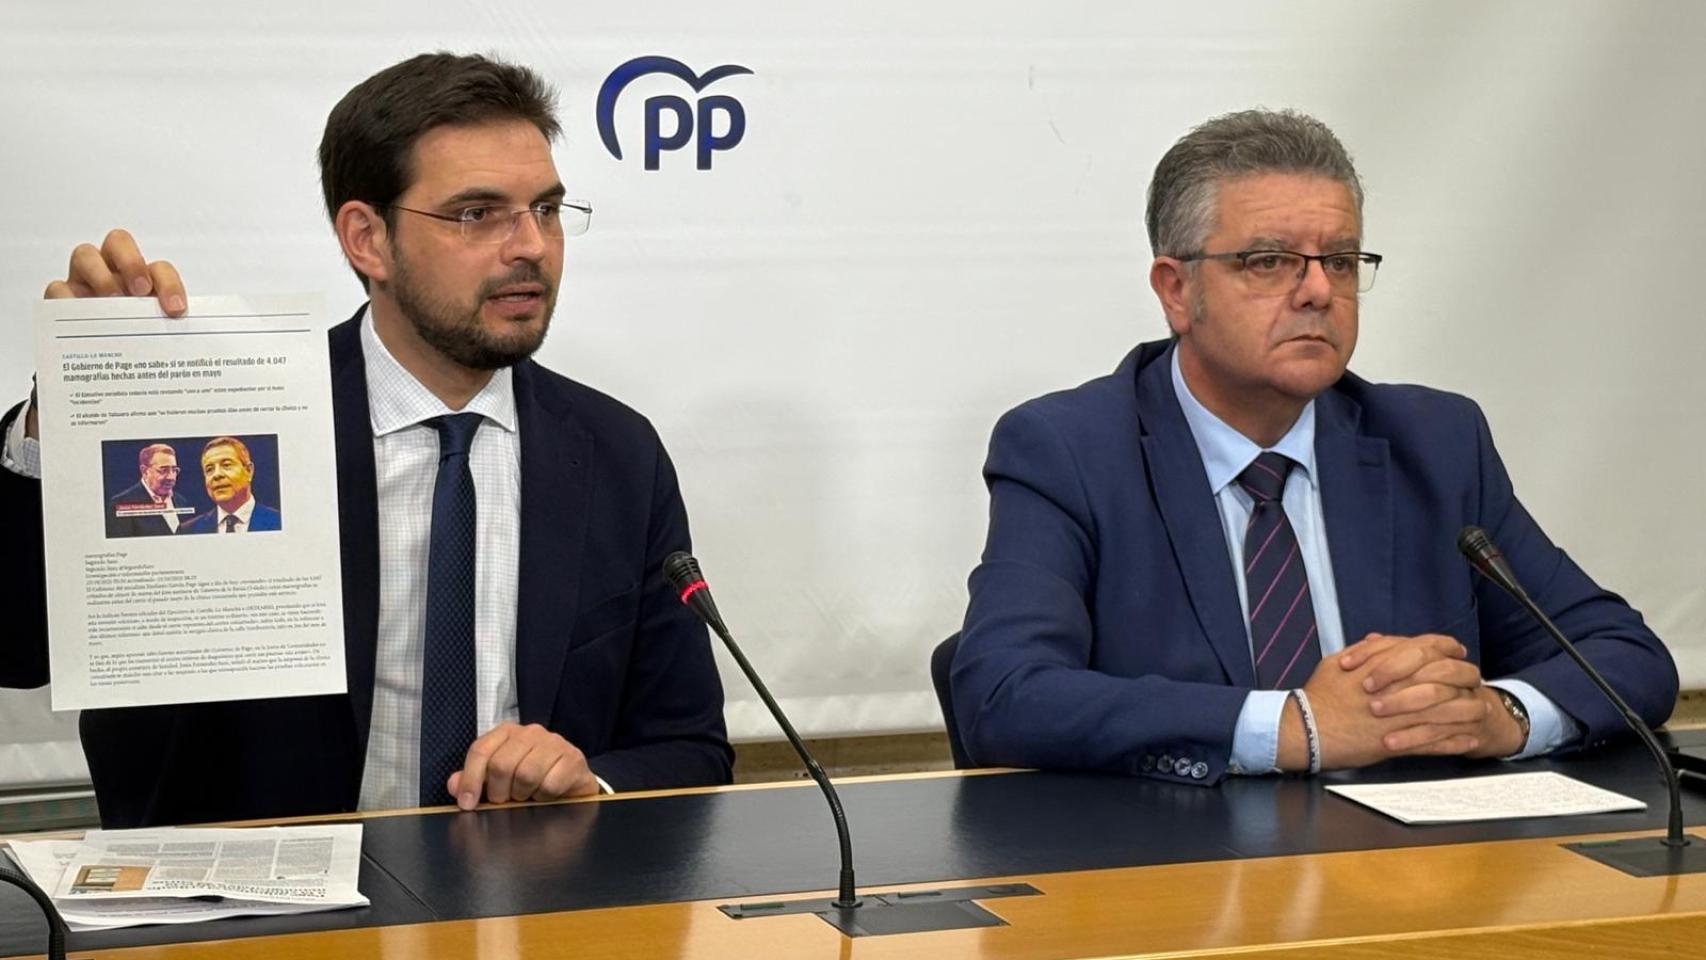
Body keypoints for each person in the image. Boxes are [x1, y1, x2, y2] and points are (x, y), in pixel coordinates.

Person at [0, 52, 731, 827]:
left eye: (546, 210)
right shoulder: (224, 427)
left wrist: (590, 785)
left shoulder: (616, 452)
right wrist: (72, 409)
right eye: (478, 213)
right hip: (251, 922)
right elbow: (18, 649)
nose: (531, 246)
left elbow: (689, 747)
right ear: (366, 239)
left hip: (529, 912)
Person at [951, 109, 1676, 783]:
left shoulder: (1436, 443)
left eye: (1341, 260)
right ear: (1177, 291)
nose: (1318, 291)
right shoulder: (1070, 451)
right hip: (1181, 881)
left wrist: (1500, 715)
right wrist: (1301, 725)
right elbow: (1004, 695)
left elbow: (1627, 656)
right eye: (1269, 262)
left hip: (1414, 877)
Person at [177, 436, 282, 533]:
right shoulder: (188, 530)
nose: (217, 474)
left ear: (249, 471)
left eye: (226, 465)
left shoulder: (280, 521)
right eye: (209, 469)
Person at [105, 442, 192, 537]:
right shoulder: (121, 503)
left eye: (174, 470)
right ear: (144, 471)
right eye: (163, 470)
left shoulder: (181, 501)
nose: (171, 477)